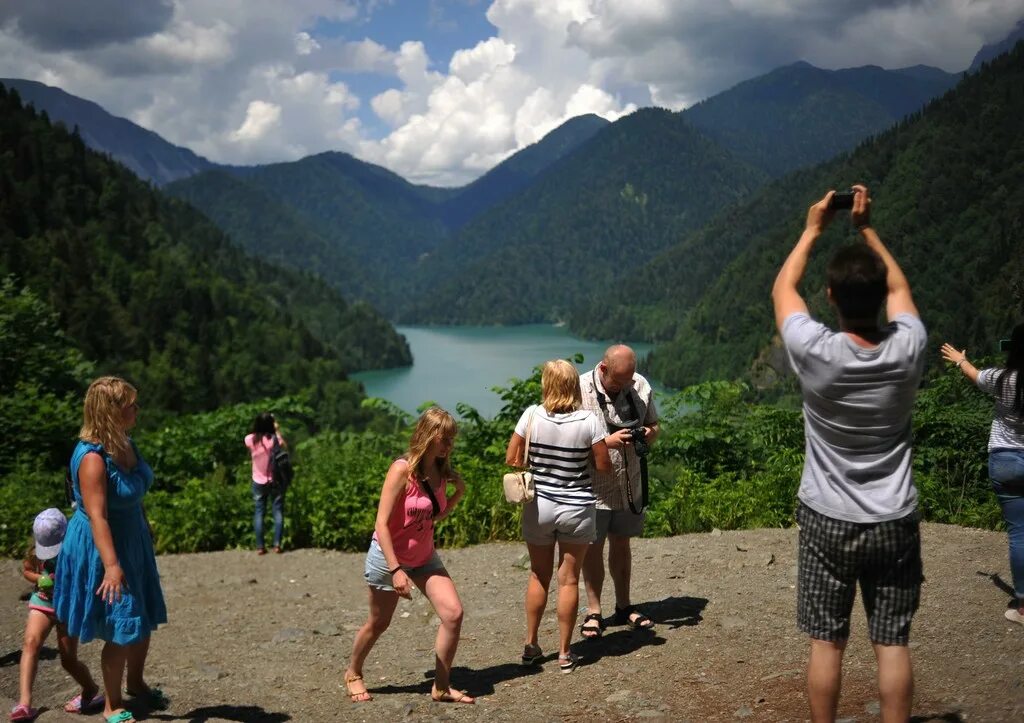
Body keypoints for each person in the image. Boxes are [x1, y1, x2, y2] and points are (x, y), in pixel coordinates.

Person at [772, 185, 927, 723]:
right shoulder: (908, 347)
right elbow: (902, 286)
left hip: (827, 518)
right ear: (882, 295)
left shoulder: (817, 353)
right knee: (892, 642)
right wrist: (866, 228)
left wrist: (814, 227)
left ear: (831, 298)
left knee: (827, 642)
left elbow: (785, 288)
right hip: (894, 516)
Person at [54, 376, 169, 723]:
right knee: (122, 625)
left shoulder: (125, 442)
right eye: (130, 405)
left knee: (142, 617)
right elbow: (98, 517)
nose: (137, 409)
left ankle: (136, 682)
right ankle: (111, 705)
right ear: (111, 412)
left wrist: (144, 526)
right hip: (104, 545)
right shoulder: (92, 459)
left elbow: (134, 495)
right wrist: (112, 566)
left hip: (132, 539)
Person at [344, 407, 474, 705]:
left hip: (424, 558)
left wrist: (457, 493)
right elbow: (381, 523)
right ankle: (352, 672)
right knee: (379, 622)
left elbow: (432, 517)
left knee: (453, 614)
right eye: (445, 439)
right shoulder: (402, 470)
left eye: (452, 439)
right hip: (389, 559)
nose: (449, 445)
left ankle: (440, 688)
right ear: (428, 437)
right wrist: (395, 569)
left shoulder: (440, 472)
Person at [505, 360, 611, 672]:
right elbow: (603, 465)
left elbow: (512, 458)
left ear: (547, 385)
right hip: (577, 508)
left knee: (539, 574)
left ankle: (532, 645)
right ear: (573, 386)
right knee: (569, 580)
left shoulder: (531, 415)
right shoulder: (589, 421)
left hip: (540, 507)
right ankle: (565, 654)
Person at [941, 323, 1024, 624]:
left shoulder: (1002, 379)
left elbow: (975, 375)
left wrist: (961, 360)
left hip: (1004, 460)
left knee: (1018, 533)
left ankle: (1023, 606)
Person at [579, 344, 659, 637]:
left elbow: (654, 425)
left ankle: (624, 605)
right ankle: (593, 611)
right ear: (603, 369)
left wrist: (649, 434)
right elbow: (566, 441)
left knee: (622, 544)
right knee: (592, 548)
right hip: (593, 488)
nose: (626, 386)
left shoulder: (640, 385)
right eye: (619, 381)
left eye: (629, 379)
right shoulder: (579, 390)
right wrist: (606, 443)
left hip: (629, 483)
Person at [10, 509, 102, 722]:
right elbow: (27, 569)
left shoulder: (77, 550)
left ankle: (90, 690)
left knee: (68, 661)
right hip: (42, 601)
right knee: (30, 643)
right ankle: (24, 703)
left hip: (68, 608)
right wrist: (37, 578)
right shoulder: (35, 552)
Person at [244, 412, 287, 554]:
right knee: (277, 511)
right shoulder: (275, 439)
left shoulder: (250, 439)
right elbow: (283, 445)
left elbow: (250, 438)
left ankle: (260, 546)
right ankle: (277, 545)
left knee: (259, 512)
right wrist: (276, 428)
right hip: (275, 480)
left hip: (258, 481)